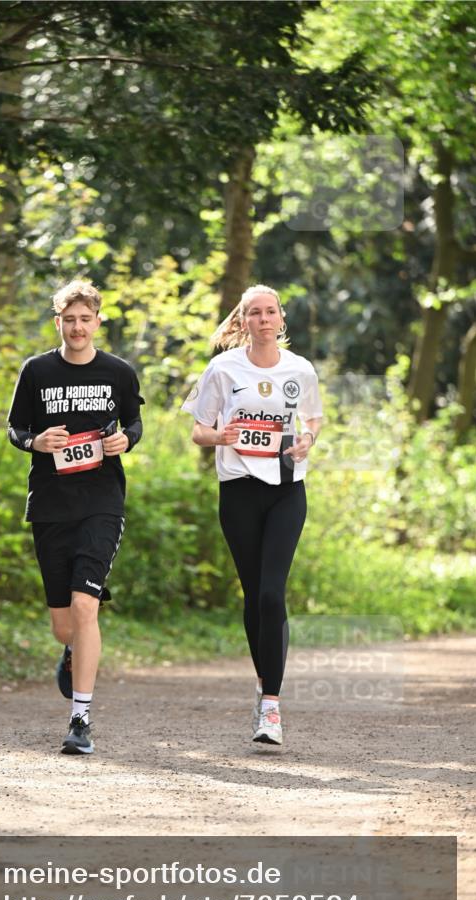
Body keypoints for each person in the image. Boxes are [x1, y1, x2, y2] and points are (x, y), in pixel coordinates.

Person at [7, 279, 144, 755]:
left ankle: (80, 719)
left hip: (102, 500)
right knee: (65, 625)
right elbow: (15, 427)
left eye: (86, 319)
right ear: (58, 322)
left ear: (97, 322)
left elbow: (133, 424)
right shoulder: (37, 371)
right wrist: (34, 442)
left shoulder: (119, 372)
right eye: (70, 320)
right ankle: (71, 649)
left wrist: (124, 440)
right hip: (50, 504)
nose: (78, 327)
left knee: (87, 607)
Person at [182, 284, 322, 746]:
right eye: (254, 313)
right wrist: (220, 437)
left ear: (282, 319)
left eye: (271, 312)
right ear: (243, 321)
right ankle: (264, 684)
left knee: (270, 594)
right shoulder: (223, 368)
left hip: (286, 488)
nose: (264, 320)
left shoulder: (300, 369)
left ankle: (271, 707)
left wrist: (307, 440)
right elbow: (200, 430)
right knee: (251, 595)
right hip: (239, 490)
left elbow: (312, 419)